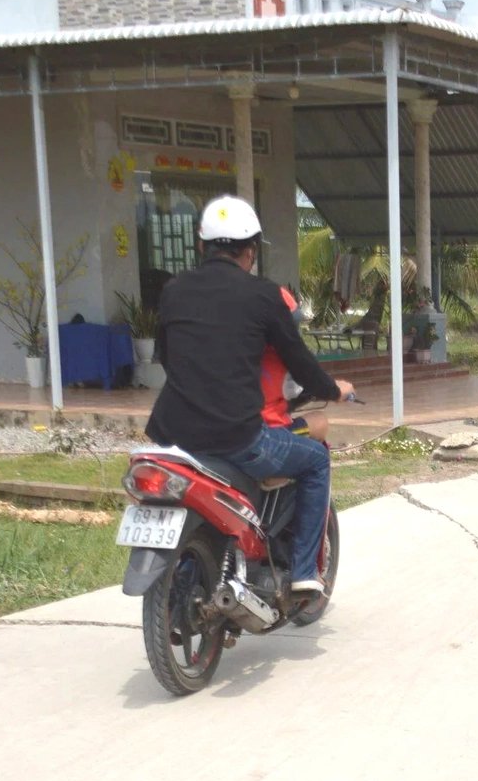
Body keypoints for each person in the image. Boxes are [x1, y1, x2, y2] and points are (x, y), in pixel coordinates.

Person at [145, 195, 352, 596]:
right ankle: (305, 571)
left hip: (171, 435)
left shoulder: (173, 290)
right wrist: (333, 390)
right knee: (314, 460)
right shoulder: (264, 296)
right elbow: (300, 361)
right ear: (251, 252)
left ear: (201, 246)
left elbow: (167, 358)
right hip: (237, 437)